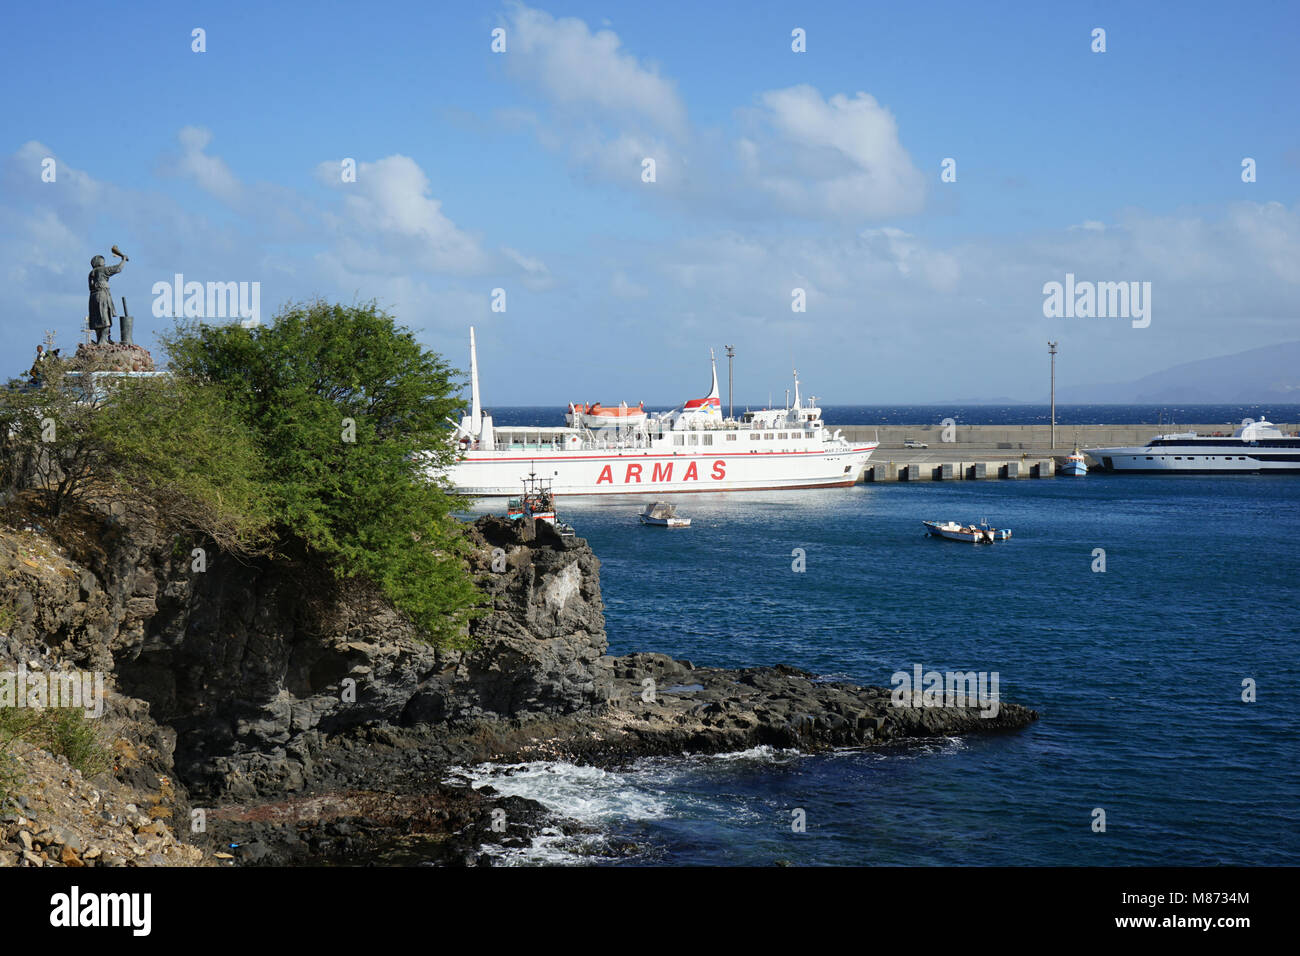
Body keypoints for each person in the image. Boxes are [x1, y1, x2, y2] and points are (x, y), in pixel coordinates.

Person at [87, 251, 126, 344]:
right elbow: (118, 269)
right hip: (102, 295)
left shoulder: (91, 273)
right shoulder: (101, 270)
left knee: (96, 319)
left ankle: (100, 339)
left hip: (93, 296)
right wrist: (123, 260)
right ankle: (103, 340)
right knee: (105, 317)